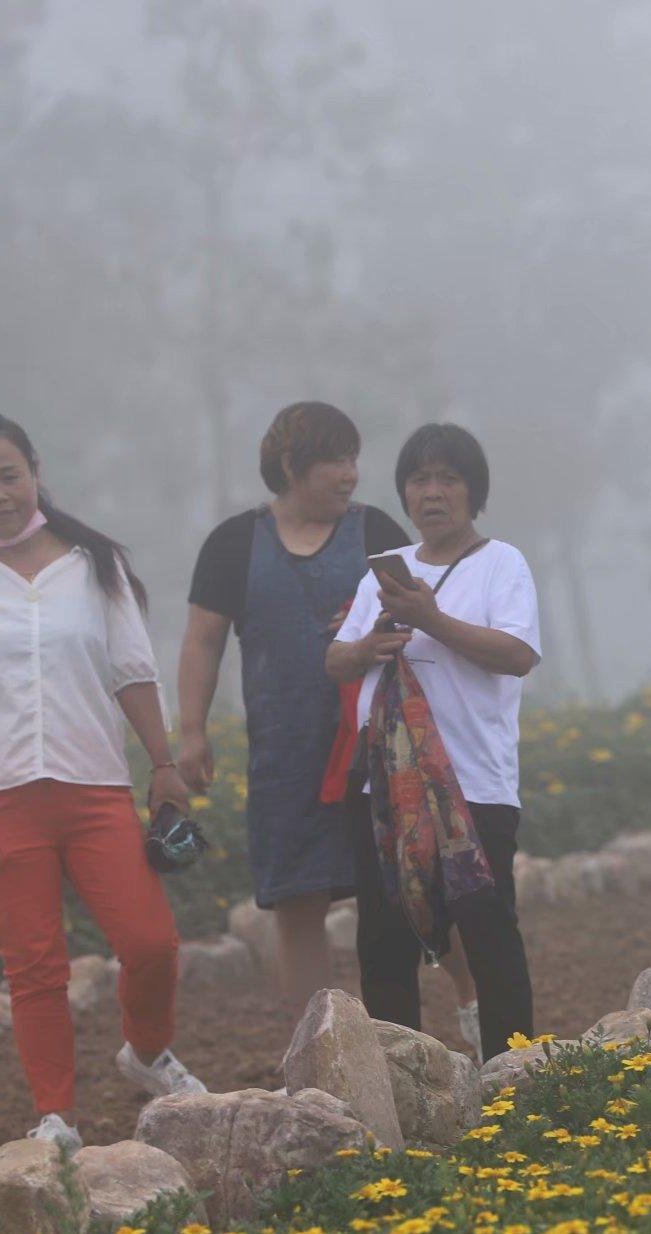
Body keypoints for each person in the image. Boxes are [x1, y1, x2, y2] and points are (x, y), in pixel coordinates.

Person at [0, 410, 206, 1153]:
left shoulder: (93, 566)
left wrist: (163, 764)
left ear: (35, 474)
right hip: (0, 799)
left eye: (9, 475)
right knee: (33, 968)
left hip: (94, 789)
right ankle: (57, 1119)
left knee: (150, 943)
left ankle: (145, 1053)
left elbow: (132, 674)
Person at [173, 402, 485, 1035]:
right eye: (334, 461)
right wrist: (193, 730)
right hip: (285, 755)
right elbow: (202, 640)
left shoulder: (375, 533)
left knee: (422, 879)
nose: (349, 474)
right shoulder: (233, 545)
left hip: (383, 743)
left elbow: (429, 616)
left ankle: (477, 1009)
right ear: (291, 466)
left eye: (353, 460)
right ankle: (321, 1056)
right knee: (297, 903)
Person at [328, 423, 539, 1064]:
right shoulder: (382, 577)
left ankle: (515, 1083)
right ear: (404, 493)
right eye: (419, 480)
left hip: (475, 786)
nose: (433, 492)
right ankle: (404, 1085)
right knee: (385, 946)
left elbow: (518, 653)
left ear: (473, 491)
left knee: (488, 937)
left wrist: (431, 621)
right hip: (388, 791)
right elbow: (337, 660)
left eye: (448, 478)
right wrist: (371, 646)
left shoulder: (501, 563)